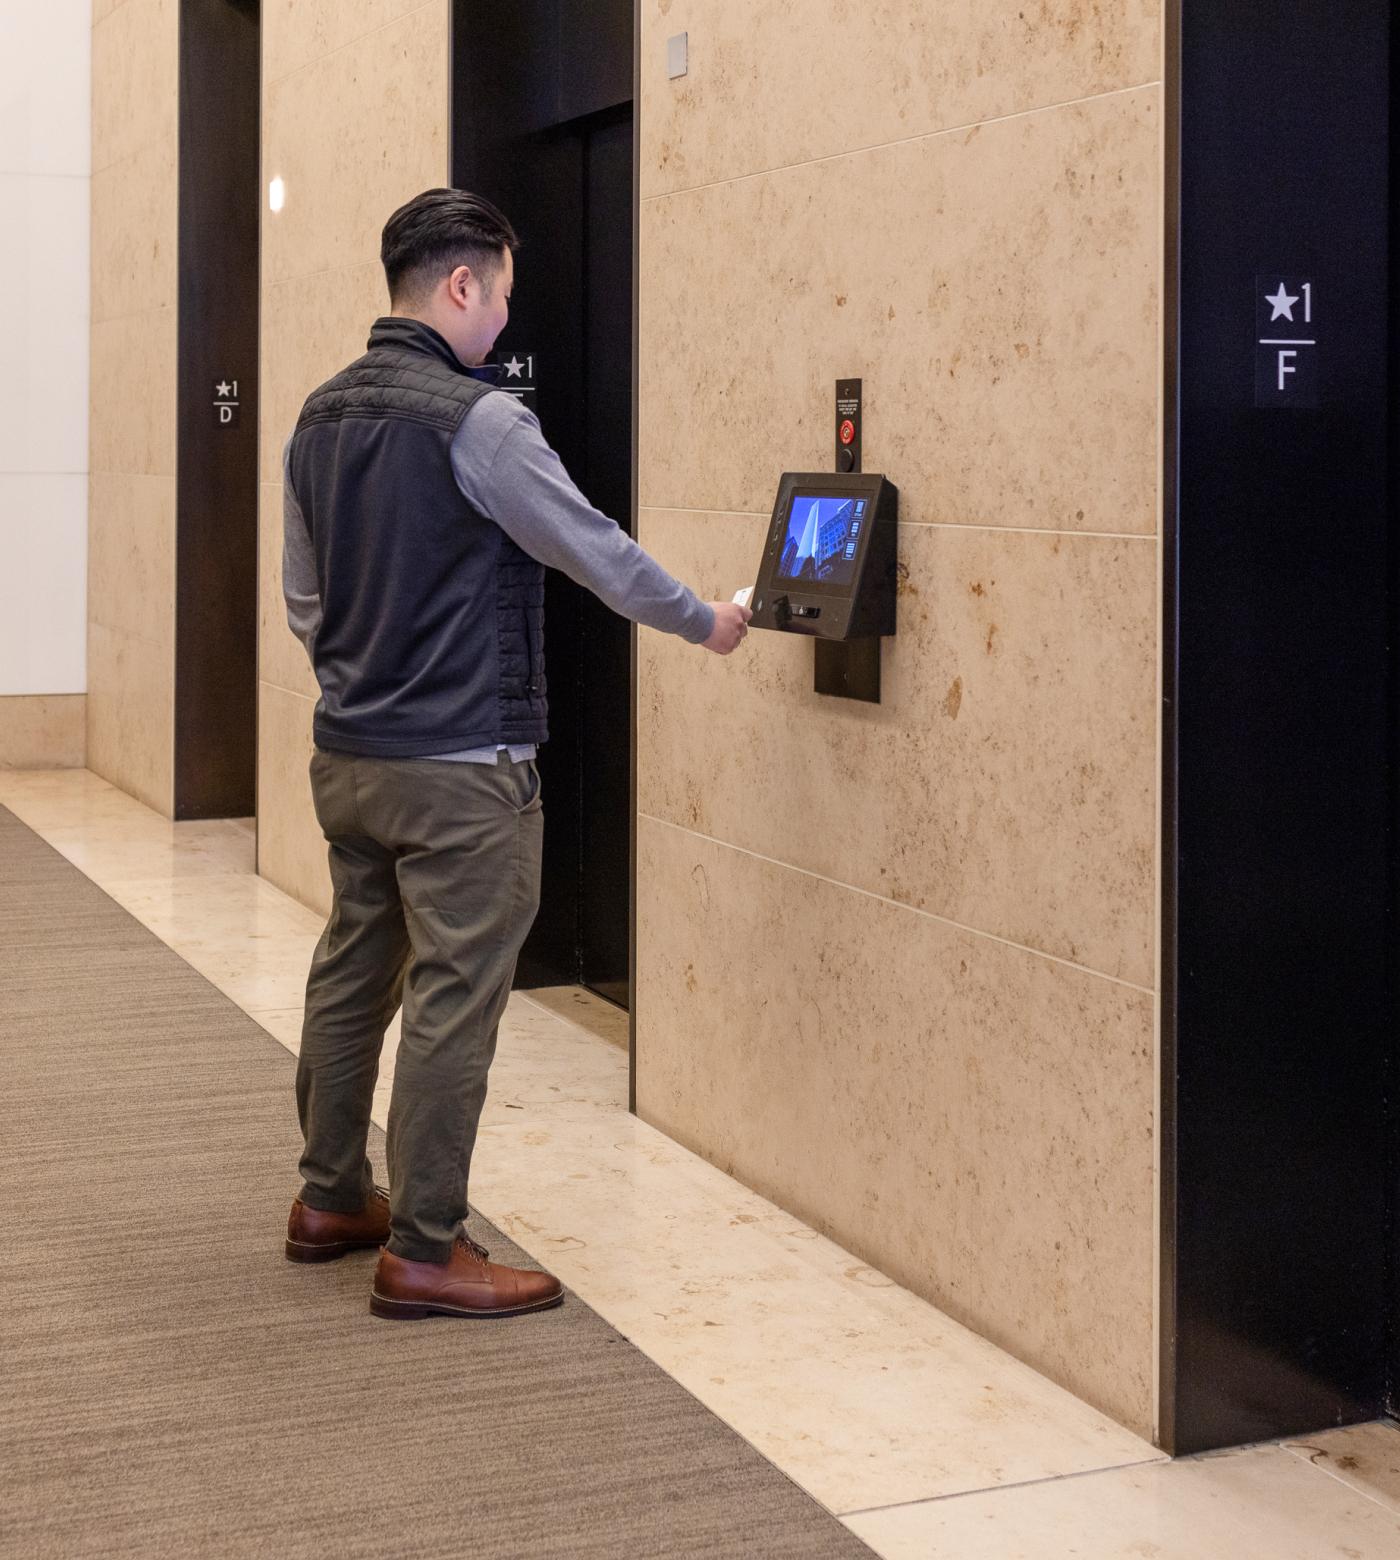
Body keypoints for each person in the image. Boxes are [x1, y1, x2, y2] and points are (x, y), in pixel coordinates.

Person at [279, 187, 752, 1320]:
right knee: (454, 993)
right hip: (461, 770)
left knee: (353, 971)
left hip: (349, 754)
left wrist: (368, 680)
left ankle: (331, 1197)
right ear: (458, 284)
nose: (503, 319)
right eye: (500, 294)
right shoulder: (479, 420)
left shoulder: (316, 416)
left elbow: (306, 601)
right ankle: (428, 1247)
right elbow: (591, 549)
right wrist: (707, 621)